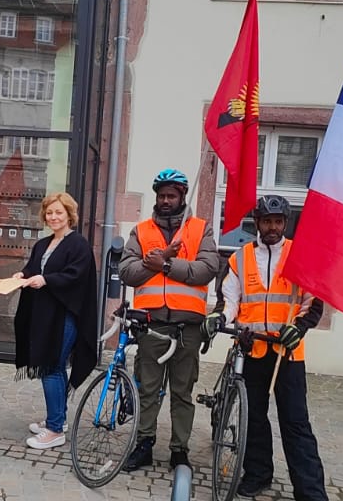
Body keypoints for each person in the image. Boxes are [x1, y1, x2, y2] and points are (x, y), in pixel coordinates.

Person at [204, 195, 329, 500]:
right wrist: (220, 318)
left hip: (287, 352)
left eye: (278, 222)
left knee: (295, 422)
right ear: (257, 223)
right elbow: (229, 300)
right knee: (254, 418)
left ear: (285, 223)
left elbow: (312, 302)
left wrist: (298, 327)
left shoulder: (300, 256)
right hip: (252, 348)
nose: (272, 227)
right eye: (267, 221)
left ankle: (310, 491)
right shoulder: (240, 258)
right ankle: (258, 473)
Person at [119, 167, 219, 471]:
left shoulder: (200, 229)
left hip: (188, 326)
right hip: (151, 323)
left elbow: (206, 269)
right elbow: (127, 272)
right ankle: (144, 443)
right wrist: (160, 259)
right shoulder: (141, 231)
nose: (165, 200)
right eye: (161, 195)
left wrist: (163, 264)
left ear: (182, 196)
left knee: (182, 392)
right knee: (148, 389)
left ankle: (179, 450)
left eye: (171, 196)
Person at [13, 191, 98, 450]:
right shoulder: (43, 244)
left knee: (50, 366)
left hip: (64, 316)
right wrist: (22, 275)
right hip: (44, 315)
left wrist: (46, 280)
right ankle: (58, 420)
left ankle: (54, 430)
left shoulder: (79, 245)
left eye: (59, 212)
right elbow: (34, 268)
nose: (53, 217)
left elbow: (75, 276)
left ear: (69, 214)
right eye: (49, 212)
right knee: (54, 367)